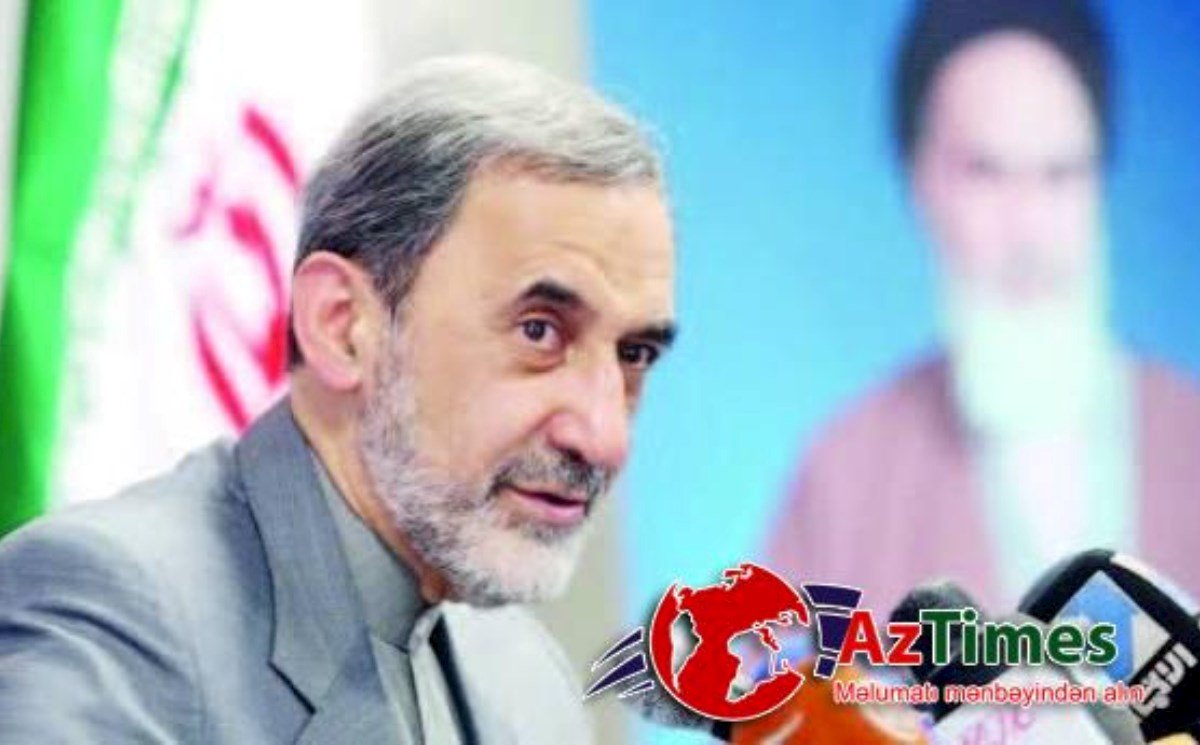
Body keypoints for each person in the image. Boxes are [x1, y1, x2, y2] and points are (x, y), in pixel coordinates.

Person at [0, 55, 676, 744]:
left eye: (634, 354)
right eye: (538, 331)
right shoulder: (115, 615)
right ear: (342, 324)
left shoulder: (528, 678)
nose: (604, 437)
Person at [767, 0, 1200, 615]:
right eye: (986, 174)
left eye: (1060, 173)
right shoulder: (845, 481)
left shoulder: (1189, 434)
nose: (1027, 229)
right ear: (921, 182)